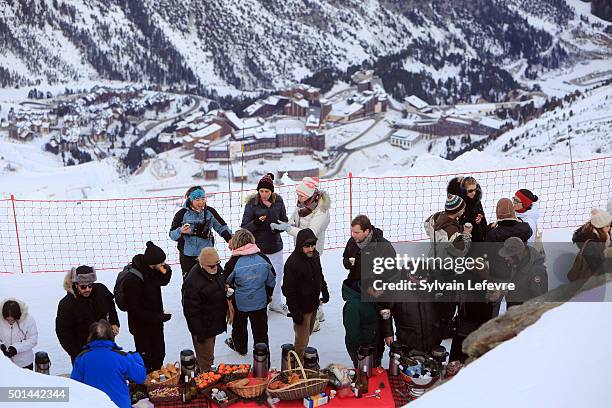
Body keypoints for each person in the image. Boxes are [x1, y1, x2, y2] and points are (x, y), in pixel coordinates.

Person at [271, 177, 331, 331]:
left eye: (301, 196)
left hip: (312, 250)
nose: (299, 199)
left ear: (311, 195)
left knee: (311, 283)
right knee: (307, 281)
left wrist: (287, 229)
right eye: (298, 195)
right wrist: (284, 225)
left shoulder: (321, 212)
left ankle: (314, 320)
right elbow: (293, 220)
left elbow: (309, 233)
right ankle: (320, 312)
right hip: (300, 249)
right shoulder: (302, 206)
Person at [424, 194, 473, 361]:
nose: (464, 210)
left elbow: (426, 225)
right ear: (458, 211)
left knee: (433, 307)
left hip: (432, 267)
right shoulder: (453, 231)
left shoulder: (435, 218)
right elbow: (461, 250)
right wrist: (466, 234)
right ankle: (436, 343)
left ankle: (431, 335)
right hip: (446, 273)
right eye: (463, 208)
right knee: (445, 310)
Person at [120, 241, 172, 373]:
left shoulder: (152, 270)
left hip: (155, 323)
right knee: (147, 360)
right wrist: (159, 317)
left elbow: (163, 281)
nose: (163, 265)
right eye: (161, 263)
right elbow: (135, 311)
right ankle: (147, 383)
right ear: (153, 263)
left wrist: (167, 271)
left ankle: (158, 380)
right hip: (141, 328)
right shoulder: (133, 280)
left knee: (159, 354)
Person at [241, 173, 289, 315]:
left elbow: (285, 221)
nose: (264, 194)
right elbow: (244, 227)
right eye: (261, 191)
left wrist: (278, 227)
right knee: (260, 278)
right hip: (259, 248)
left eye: (267, 191)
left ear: (272, 191)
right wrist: (257, 222)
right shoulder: (252, 204)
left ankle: (276, 303)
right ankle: (261, 305)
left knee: (278, 275)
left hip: (275, 245)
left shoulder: (279, 201)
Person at [71, 320, 146, 408]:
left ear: (90, 337)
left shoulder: (81, 358)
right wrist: (136, 356)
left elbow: (75, 386)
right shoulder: (123, 357)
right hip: (119, 405)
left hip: (93, 405)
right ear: (111, 336)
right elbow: (140, 377)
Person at [224, 229, 276, 356]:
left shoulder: (233, 263)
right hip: (260, 301)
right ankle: (262, 354)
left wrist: (229, 296)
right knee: (261, 330)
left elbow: (225, 282)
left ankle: (240, 347)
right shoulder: (263, 258)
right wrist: (268, 294)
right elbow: (272, 279)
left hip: (240, 303)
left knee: (239, 327)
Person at [56, 265, 120, 363]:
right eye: (83, 286)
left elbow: (111, 306)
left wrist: (114, 322)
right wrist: (77, 354)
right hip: (83, 353)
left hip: (106, 346)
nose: (87, 289)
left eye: (90, 285)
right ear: (75, 284)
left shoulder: (101, 290)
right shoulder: (66, 304)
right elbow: (63, 333)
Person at [282, 228, 329, 361]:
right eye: (307, 246)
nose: (310, 249)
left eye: (312, 245)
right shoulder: (292, 263)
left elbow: (319, 274)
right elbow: (288, 290)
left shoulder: (315, 256)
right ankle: (298, 367)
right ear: (300, 245)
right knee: (301, 342)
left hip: (313, 304)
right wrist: (295, 311)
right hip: (301, 308)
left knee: (307, 335)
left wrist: (324, 290)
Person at [169, 186, 233, 279]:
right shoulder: (181, 214)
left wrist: (229, 238)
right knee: (190, 283)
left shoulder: (210, 212)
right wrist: (180, 231)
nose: (201, 202)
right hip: (188, 256)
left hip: (207, 253)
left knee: (217, 279)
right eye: (197, 200)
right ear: (190, 200)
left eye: (203, 199)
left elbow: (221, 227)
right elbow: (172, 234)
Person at [182, 247, 229, 372]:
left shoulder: (217, 269)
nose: (215, 268)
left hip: (213, 321)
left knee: (208, 354)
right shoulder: (192, 282)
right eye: (211, 266)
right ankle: (206, 384)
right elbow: (191, 312)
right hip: (203, 328)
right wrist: (199, 333)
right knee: (206, 360)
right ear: (202, 264)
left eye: (217, 265)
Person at [342, 214, 397, 293]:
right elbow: (345, 258)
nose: (353, 235)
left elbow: (392, 272)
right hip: (356, 287)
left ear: (366, 231)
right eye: (353, 232)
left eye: (357, 232)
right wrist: (348, 262)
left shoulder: (384, 246)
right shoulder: (352, 242)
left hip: (376, 291)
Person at [341, 279, 384, 368]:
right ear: (369, 288)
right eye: (379, 290)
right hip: (362, 350)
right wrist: (362, 350)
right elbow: (352, 331)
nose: (381, 293)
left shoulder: (373, 298)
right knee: (365, 376)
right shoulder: (353, 305)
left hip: (374, 345)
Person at [498, 237, 548, 307]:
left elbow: (538, 301)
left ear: (517, 254)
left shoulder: (536, 271)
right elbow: (520, 286)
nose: (506, 258)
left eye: (508, 255)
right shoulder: (517, 263)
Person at [571, 209, 612, 276]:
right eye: (607, 226)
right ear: (599, 227)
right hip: (592, 277)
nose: (610, 228)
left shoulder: (603, 232)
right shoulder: (591, 246)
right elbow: (598, 269)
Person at [447, 176, 488, 242]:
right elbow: (455, 223)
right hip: (464, 240)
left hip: (478, 238)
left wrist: (480, 218)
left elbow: (483, 219)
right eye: (470, 191)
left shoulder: (477, 200)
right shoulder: (459, 203)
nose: (473, 193)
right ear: (464, 190)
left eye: (475, 190)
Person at [0, 299, 38, 369]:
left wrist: (16, 348)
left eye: (13, 320)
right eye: (7, 320)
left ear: (18, 316)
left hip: (24, 363)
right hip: (5, 363)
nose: (10, 322)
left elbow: (33, 340)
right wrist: (1, 346)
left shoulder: (28, 319)